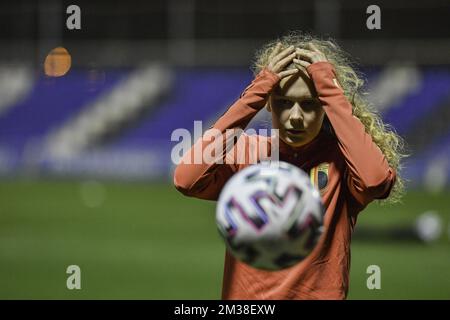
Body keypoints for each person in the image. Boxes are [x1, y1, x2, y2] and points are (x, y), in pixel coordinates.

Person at [173, 32, 405, 300]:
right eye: (284, 102)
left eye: (309, 104)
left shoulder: (342, 160)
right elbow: (186, 179)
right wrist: (257, 92)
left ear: (325, 106)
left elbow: (376, 180)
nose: (295, 117)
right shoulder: (248, 152)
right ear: (269, 103)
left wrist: (331, 91)